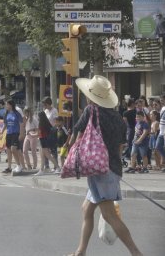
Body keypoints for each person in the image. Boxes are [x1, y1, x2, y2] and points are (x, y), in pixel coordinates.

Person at [67, 75, 142, 256]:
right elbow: (120, 146)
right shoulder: (117, 117)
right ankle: (80, 252)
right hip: (112, 168)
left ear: (90, 96)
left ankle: (136, 252)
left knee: (109, 215)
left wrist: (71, 154)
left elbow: (78, 135)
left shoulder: (91, 111)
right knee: (86, 209)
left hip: (100, 171)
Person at [0, 100, 26, 173]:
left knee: (13, 149)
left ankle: (19, 165)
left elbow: (21, 124)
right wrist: (1, 132)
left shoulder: (17, 113)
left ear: (10, 105)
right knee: (8, 150)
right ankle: (9, 167)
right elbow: (5, 124)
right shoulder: (6, 114)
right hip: (9, 133)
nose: (5, 106)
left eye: (6, 105)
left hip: (16, 133)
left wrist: (21, 134)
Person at [34, 111, 59, 176]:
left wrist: (31, 133)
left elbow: (38, 133)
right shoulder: (46, 122)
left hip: (43, 140)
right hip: (44, 140)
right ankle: (41, 170)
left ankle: (58, 167)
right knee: (43, 156)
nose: (37, 117)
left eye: (38, 116)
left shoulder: (41, 123)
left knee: (47, 156)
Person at [155, 94, 165, 172]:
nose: (161, 101)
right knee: (158, 146)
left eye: (162, 100)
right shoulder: (163, 108)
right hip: (161, 132)